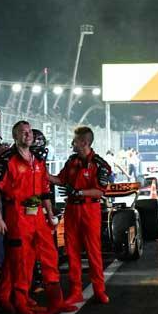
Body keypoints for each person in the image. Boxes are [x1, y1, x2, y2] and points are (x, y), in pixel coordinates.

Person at [0, 120, 68, 314]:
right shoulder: (7, 160)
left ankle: (55, 300)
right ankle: (20, 301)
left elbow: (44, 190)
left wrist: (50, 215)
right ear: (15, 136)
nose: (27, 135)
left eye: (29, 132)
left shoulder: (38, 161)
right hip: (16, 216)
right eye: (23, 132)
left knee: (50, 255)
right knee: (21, 261)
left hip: (38, 217)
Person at [54, 126, 111, 305]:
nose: (72, 143)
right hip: (71, 210)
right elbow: (60, 179)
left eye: (75, 140)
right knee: (72, 253)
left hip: (89, 210)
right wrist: (40, 171)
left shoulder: (100, 164)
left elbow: (100, 192)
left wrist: (78, 192)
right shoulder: (71, 161)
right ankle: (76, 291)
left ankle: (99, 291)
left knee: (94, 253)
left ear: (85, 142)